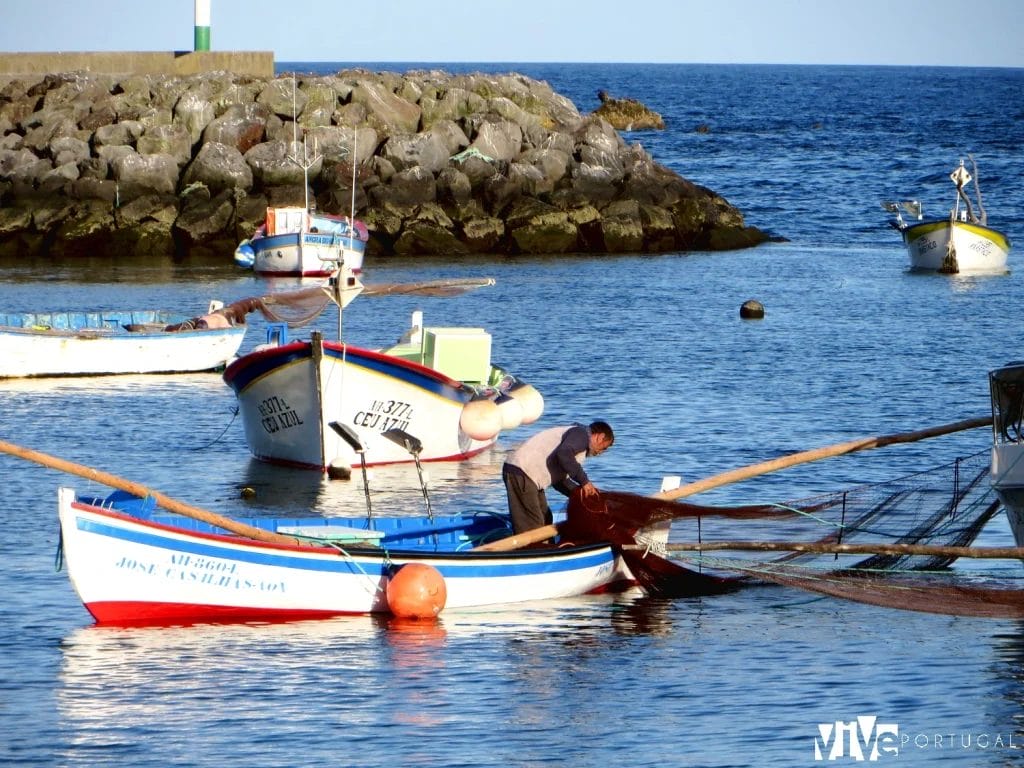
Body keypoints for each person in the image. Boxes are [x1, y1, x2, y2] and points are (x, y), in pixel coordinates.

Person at [502, 421, 615, 535]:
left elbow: (560, 481)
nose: (601, 452)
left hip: (531, 477)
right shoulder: (581, 434)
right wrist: (584, 481)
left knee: (546, 518)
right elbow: (564, 454)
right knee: (533, 524)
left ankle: (546, 544)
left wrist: (580, 495)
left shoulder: (577, 444)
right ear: (600, 437)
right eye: (604, 448)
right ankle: (532, 545)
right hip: (521, 471)